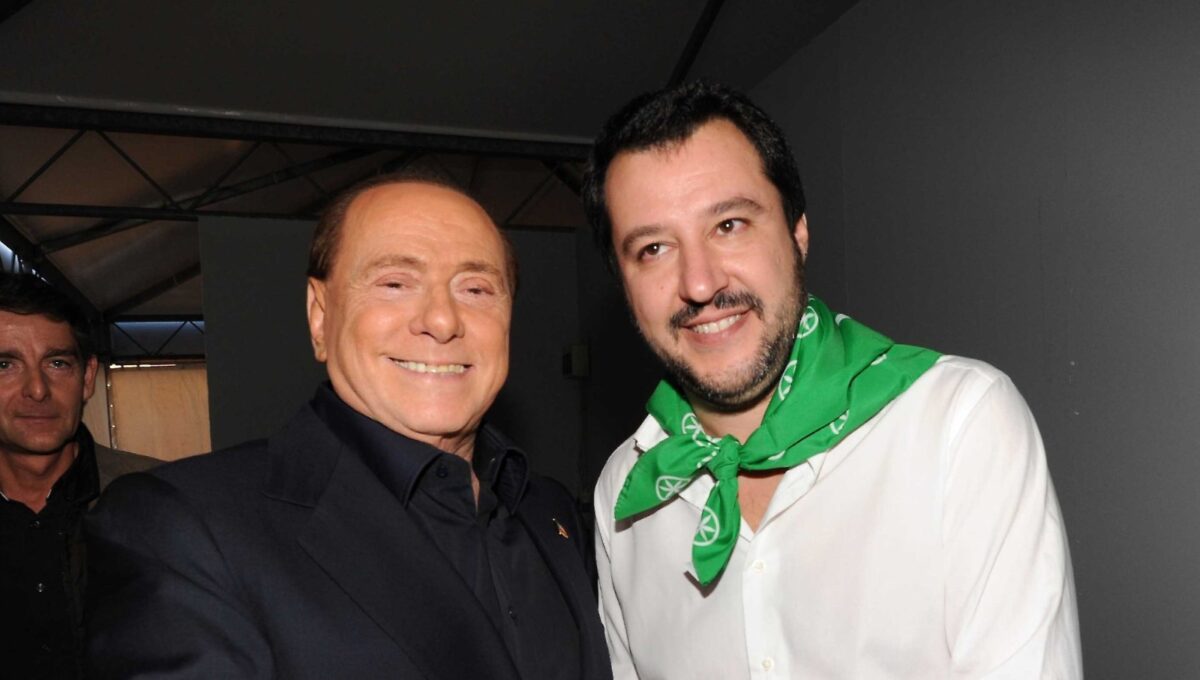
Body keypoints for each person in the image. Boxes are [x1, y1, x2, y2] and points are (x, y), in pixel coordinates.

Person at [582, 81, 1081, 678]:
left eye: (730, 225)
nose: (699, 283)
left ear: (797, 233)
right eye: (654, 248)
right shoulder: (623, 491)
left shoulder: (958, 425)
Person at [86, 174, 611, 680]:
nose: (443, 320)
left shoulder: (551, 514)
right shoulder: (185, 529)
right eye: (395, 283)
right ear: (320, 316)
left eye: (476, 289)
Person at [0, 273, 158, 680]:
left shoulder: (163, 499)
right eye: (5, 365)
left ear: (87, 378)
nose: (37, 390)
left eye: (57, 363)